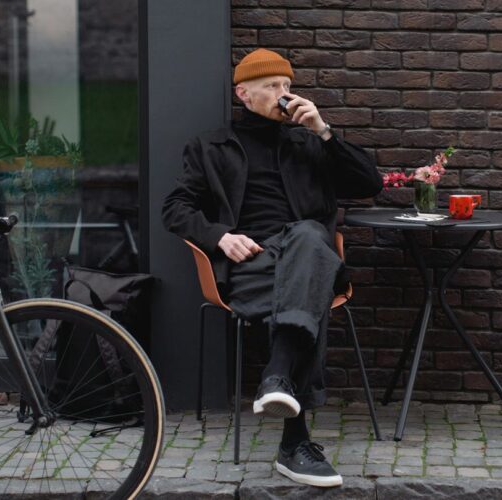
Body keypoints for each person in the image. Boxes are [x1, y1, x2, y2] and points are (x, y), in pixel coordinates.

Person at [162, 48, 382, 487]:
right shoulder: (210, 146)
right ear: (244, 94)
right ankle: (294, 442)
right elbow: (175, 208)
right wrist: (220, 236)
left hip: (308, 252)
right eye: (272, 88)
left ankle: (277, 379)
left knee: (306, 238)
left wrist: (324, 132)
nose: (284, 94)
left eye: (287, 86)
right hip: (252, 263)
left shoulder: (308, 141)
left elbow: (369, 184)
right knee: (308, 284)